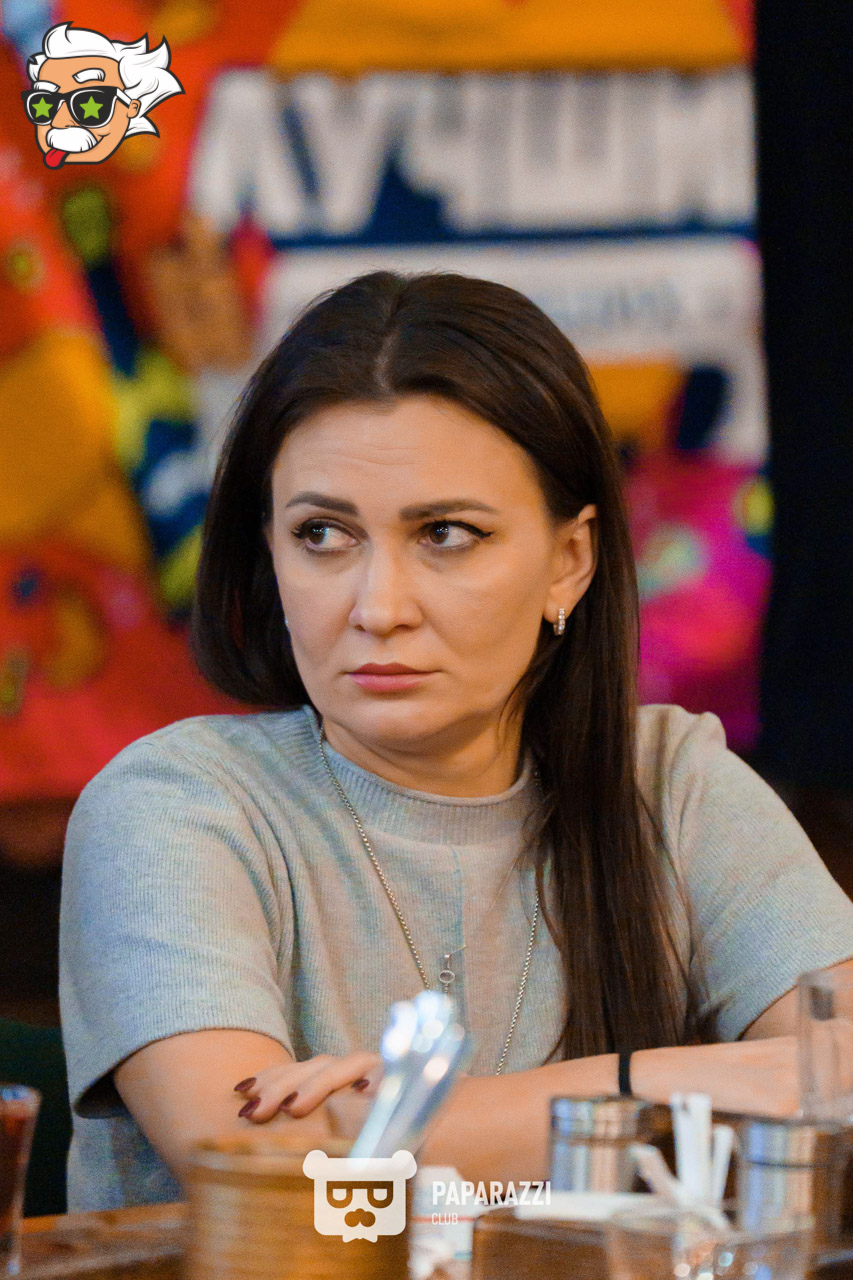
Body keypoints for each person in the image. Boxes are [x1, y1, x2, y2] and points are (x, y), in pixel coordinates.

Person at [60, 270, 853, 1212]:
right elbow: (264, 1167)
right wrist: (676, 1083)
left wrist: (388, 1123)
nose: (378, 607)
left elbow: (841, 1073)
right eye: (322, 534)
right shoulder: (173, 803)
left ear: (569, 561)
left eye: (445, 533)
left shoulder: (670, 781)